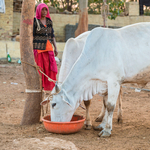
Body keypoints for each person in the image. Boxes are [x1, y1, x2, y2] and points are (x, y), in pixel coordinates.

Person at [33, 3, 58, 91]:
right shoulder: (35, 21)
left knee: (50, 68)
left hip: (49, 48)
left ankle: (49, 86)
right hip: (38, 48)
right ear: (38, 10)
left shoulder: (49, 21)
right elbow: (32, 35)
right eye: (42, 9)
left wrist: (55, 47)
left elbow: (52, 35)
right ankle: (40, 86)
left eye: (46, 9)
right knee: (40, 69)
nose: (44, 11)